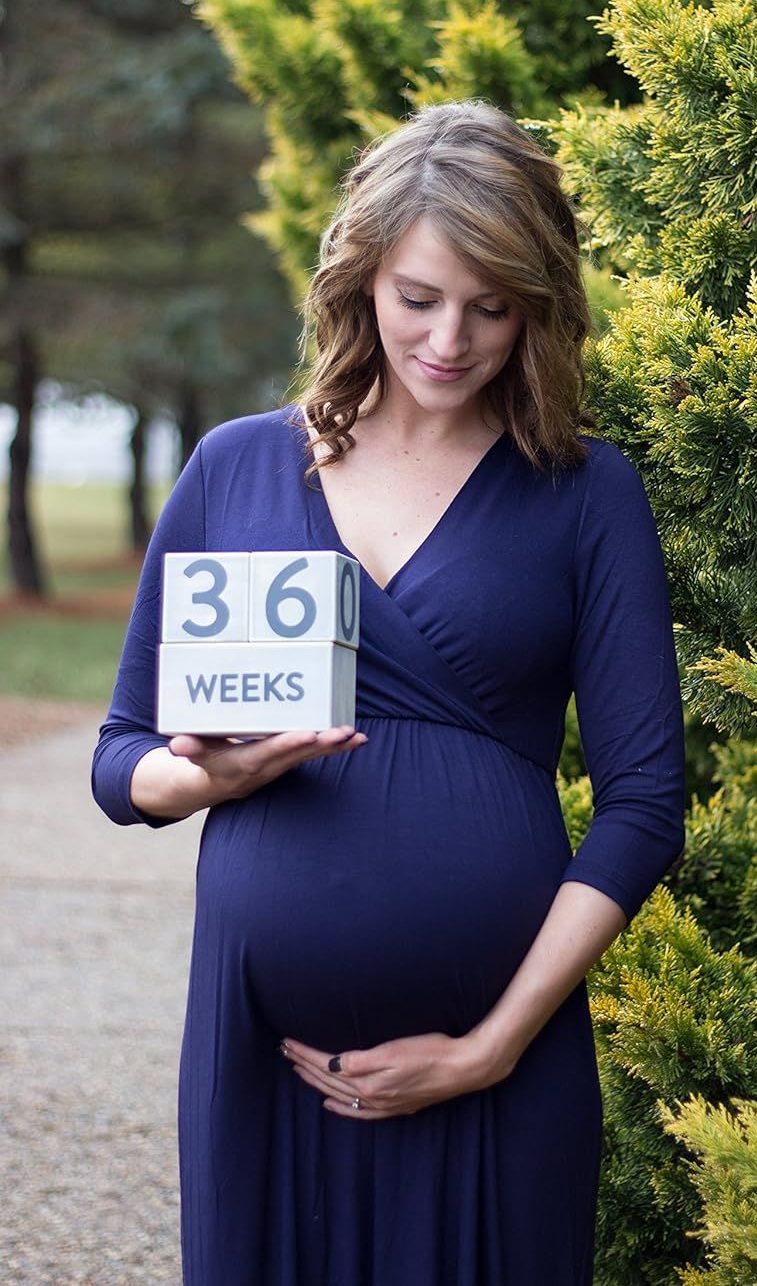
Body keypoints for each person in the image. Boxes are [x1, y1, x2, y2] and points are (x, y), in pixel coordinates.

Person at [91, 99, 686, 1286]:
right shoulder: (237, 468)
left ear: (539, 308)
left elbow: (641, 806)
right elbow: (122, 760)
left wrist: (489, 1046)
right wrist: (197, 775)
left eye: (492, 307)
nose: (450, 339)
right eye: (419, 297)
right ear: (361, 280)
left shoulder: (584, 494)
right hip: (264, 1057)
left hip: (497, 1068)